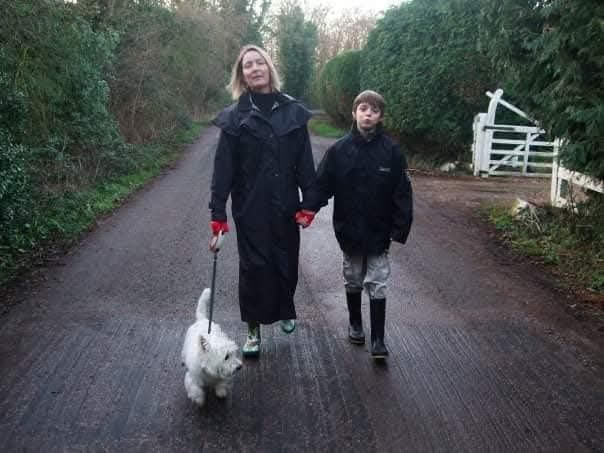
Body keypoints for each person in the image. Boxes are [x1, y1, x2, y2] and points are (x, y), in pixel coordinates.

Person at [209, 44, 317, 358]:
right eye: (248, 65)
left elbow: (305, 163)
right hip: (250, 205)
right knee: (254, 268)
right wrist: (218, 212)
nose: (254, 68)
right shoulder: (234, 118)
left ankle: (285, 309)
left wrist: (310, 202)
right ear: (241, 76)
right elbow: (223, 170)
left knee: (286, 261)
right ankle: (253, 330)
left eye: (259, 62)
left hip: (286, 203)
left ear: (269, 67)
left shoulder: (293, 111)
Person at [310, 90, 413, 359]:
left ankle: (378, 339)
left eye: (374, 111)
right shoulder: (338, 151)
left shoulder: (391, 152)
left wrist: (399, 228)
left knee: (378, 281)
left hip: (380, 232)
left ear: (380, 117)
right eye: (364, 109)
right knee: (353, 277)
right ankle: (355, 324)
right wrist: (307, 209)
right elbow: (322, 185)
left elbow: (402, 192)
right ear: (354, 112)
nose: (368, 114)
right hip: (349, 230)